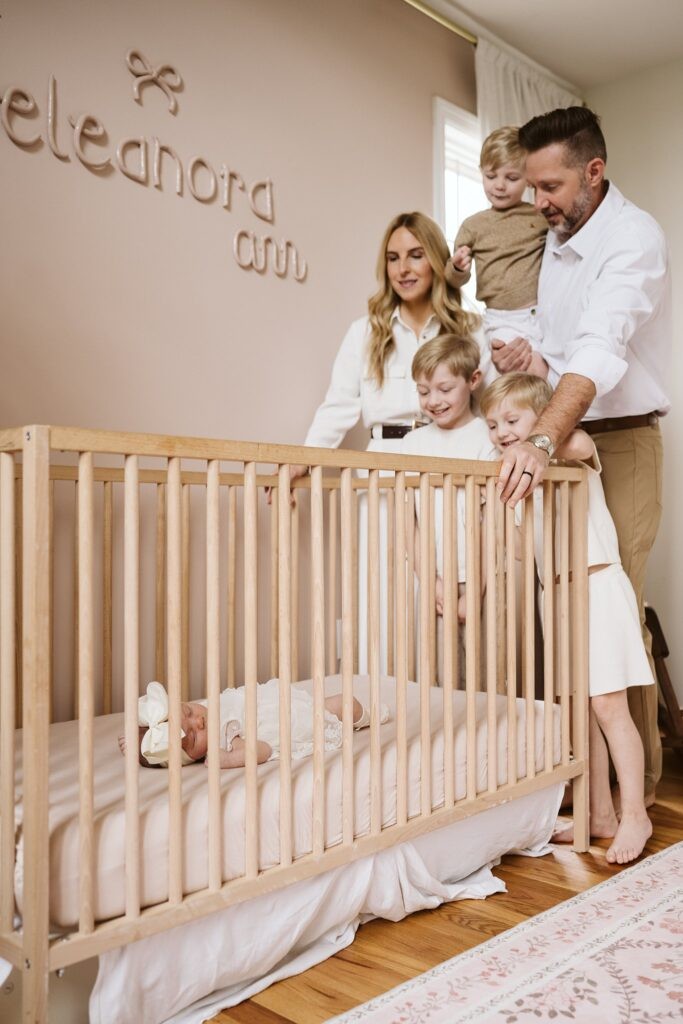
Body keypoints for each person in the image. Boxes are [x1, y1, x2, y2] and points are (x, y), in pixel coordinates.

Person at [494, 107, 671, 804]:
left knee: (615, 616)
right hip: (562, 437)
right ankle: (581, 787)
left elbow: (601, 348)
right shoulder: (558, 243)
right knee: (562, 614)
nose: (537, 202)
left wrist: (540, 437)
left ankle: (641, 790)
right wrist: (527, 355)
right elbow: (564, 350)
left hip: (619, 441)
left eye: (549, 186)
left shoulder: (633, 238)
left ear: (593, 172)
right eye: (532, 187)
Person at [290, 211, 490, 672]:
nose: (403, 268)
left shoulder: (472, 327)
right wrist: (302, 458)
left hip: (450, 463)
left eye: (416, 255)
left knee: (447, 589)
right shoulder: (365, 332)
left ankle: (449, 710)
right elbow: (338, 405)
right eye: (393, 258)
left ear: (437, 261)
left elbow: (492, 402)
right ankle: (378, 706)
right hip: (385, 465)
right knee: (381, 589)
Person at [482, 373, 654, 865]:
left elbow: (576, 442)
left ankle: (634, 814)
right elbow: (518, 552)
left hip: (596, 584)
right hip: (554, 595)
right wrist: (498, 509)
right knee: (578, 709)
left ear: (543, 420)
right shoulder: (518, 479)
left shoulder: (571, 449)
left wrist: (543, 444)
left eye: (512, 420)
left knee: (608, 706)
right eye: (493, 424)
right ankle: (597, 813)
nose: (501, 432)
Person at [401, 334, 497, 623]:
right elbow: (409, 524)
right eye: (424, 391)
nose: (434, 401)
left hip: (483, 576)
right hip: (433, 577)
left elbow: (491, 525)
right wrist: (431, 582)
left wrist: (475, 590)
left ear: (473, 379)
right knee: (436, 665)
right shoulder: (412, 443)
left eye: (445, 389)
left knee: (487, 664)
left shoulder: (487, 438)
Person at [445, 126, 548, 376]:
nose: (499, 186)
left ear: (528, 179)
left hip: (540, 315)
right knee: (515, 377)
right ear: (481, 173)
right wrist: (457, 267)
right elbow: (452, 278)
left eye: (512, 178)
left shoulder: (539, 215)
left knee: (545, 380)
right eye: (491, 176)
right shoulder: (474, 225)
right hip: (500, 318)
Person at [120, 680, 389, 768]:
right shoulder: (223, 743)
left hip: (287, 702)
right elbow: (262, 751)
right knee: (345, 704)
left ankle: (371, 714)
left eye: (189, 711)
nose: (198, 722)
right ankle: (367, 718)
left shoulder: (210, 707)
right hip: (294, 722)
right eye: (191, 736)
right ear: (188, 756)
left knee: (343, 701)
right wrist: (225, 758)